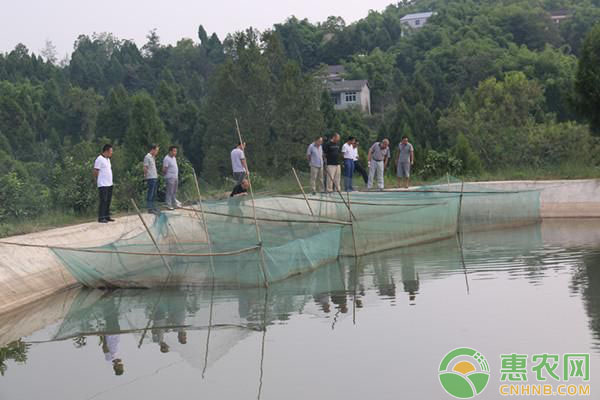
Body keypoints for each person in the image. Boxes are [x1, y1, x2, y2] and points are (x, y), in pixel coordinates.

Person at [94, 144, 114, 223]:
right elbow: (96, 171)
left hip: (109, 183)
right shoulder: (99, 159)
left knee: (108, 200)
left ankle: (107, 216)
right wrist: (97, 180)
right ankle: (101, 217)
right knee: (103, 200)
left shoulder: (108, 159)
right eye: (111, 151)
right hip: (103, 184)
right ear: (106, 151)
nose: (112, 153)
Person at [143, 144, 160, 214]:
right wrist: (146, 176)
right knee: (150, 193)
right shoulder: (147, 157)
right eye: (156, 150)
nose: (157, 152)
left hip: (155, 177)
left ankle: (153, 207)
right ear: (152, 150)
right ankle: (150, 208)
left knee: (154, 194)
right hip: (150, 177)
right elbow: (145, 167)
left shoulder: (153, 157)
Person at [162, 146, 179, 210]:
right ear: (170, 151)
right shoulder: (166, 158)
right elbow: (164, 169)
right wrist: (166, 176)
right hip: (170, 177)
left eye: (176, 151)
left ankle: (174, 204)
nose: (175, 152)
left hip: (175, 177)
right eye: (174, 151)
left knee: (174, 191)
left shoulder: (174, 158)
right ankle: (168, 205)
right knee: (169, 191)